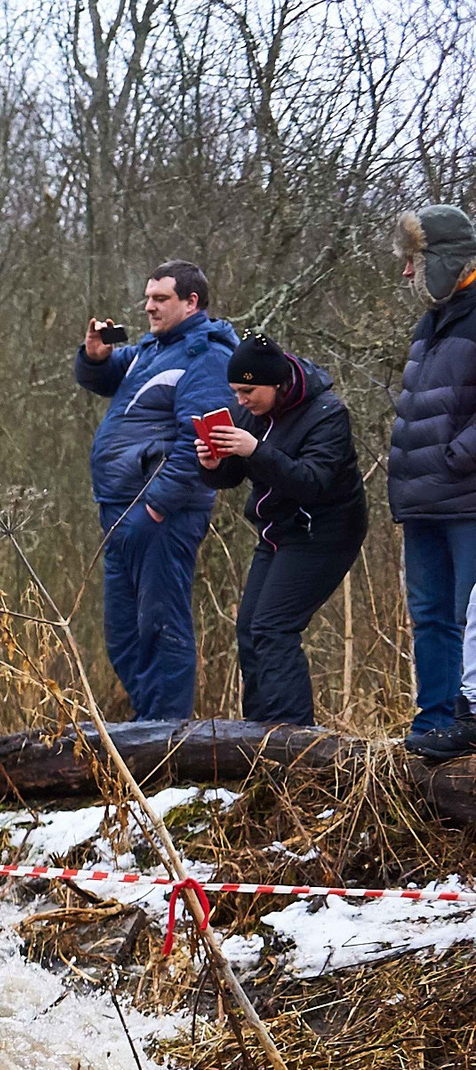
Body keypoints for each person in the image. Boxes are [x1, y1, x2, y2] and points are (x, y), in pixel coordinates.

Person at [75, 259, 240, 720]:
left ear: (191, 302)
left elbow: (201, 444)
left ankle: (168, 735)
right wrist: (95, 354)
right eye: (147, 298)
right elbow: (106, 378)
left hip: (162, 516)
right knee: (125, 633)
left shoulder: (205, 356)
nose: (148, 307)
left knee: (162, 627)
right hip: (120, 512)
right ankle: (148, 724)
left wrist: (155, 509)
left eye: (160, 299)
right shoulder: (153, 349)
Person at [193, 335, 366, 727]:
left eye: (248, 391)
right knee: (249, 629)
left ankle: (293, 740)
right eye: (236, 392)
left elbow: (313, 481)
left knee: (274, 627)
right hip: (275, 533)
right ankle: (257, 735)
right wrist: (211, 462)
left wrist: (255, 450)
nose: (241, 401)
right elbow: (231, 477)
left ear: (278, 383)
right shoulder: (253, 415)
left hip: (324, 534)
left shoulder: (327, 414)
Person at [392, 206, 476, 760]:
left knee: (471, 615)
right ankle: (435, 723)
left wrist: (458, 456)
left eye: (413, 261)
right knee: (431, 616)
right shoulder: (433, 321)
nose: (406, 274)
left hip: (466, 496)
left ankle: (469, 722)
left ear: (443, 259)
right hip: (423, 500)